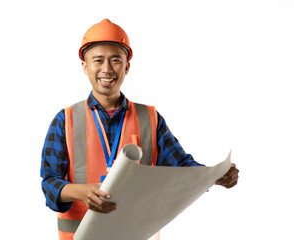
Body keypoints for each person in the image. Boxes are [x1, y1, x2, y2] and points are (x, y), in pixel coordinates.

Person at [41, 18, 239, 240]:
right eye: (98, 60)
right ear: (85, 66)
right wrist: (81, 192)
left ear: (127, 66)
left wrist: (215, 176)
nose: (107, 69)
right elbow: (49, 181)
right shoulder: (65, 120)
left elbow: (182, 167)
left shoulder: (150, 119)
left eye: (115, 60)